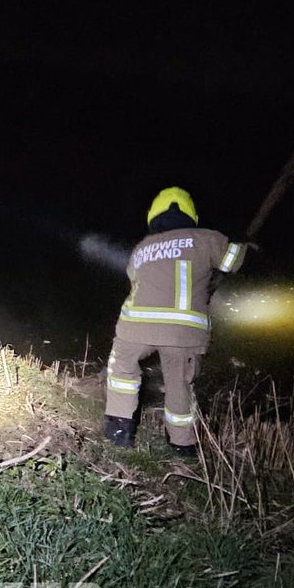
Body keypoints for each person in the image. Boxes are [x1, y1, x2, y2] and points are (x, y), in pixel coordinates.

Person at [103, 188, 248, 455]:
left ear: (153, 215)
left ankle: (119, 431)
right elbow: (233, 261)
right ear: (191, 215)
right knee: (179, 385)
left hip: (135, 326)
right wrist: (239, 240)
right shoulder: (206, 239)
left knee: (122, 370)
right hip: (182, 333)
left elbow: (135, 278)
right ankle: (182, 445)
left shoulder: (142, 248)